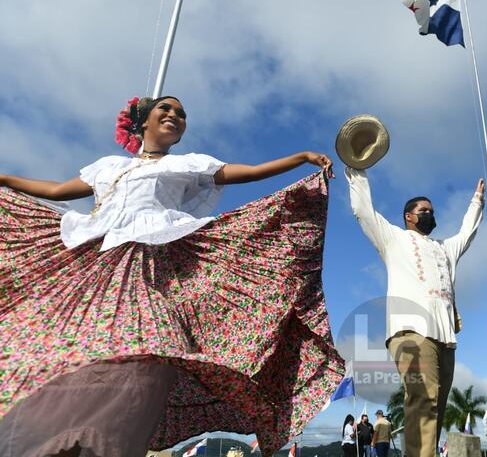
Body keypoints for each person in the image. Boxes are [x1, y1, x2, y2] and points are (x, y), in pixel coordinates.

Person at [0, 96, 343, 457]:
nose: (175, 116)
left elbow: (247, 172)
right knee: (76, 346)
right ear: (142, 121)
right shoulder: (106, 166)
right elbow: (55, 191)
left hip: (143, 264)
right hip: (94, 263)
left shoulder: (183, 165)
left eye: (181, 114)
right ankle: (62, 439)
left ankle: (97, 439)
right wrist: (6, 178)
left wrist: (299, 158)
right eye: (166, 109)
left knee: (152, 341)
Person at [346, 168, 484, 457]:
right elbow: (363, 210)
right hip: (409, 329)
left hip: (444, 336)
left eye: (432, 211)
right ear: (409, 216)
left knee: (436, 405)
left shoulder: (444, 248)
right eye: (424, 210)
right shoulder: (393, 238)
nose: (430, 214)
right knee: (423, 399)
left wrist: (476, 202)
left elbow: (467, 233)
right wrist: (357, 171)